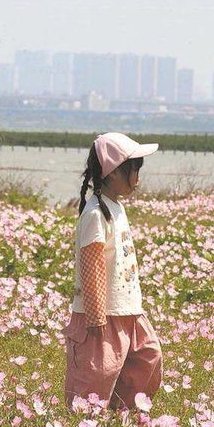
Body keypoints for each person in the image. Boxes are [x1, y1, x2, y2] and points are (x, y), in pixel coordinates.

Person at [63, 132, 164, 409]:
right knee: (97, 374)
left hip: (128, 309)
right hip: (101, 314)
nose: (138, 178)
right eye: (135, 169)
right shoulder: (95, 214)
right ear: (115, 171)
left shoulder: (115, 207)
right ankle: (85, 424)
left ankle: (121, 414)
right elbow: (92, 262)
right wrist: (95, 316)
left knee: (148, 357)